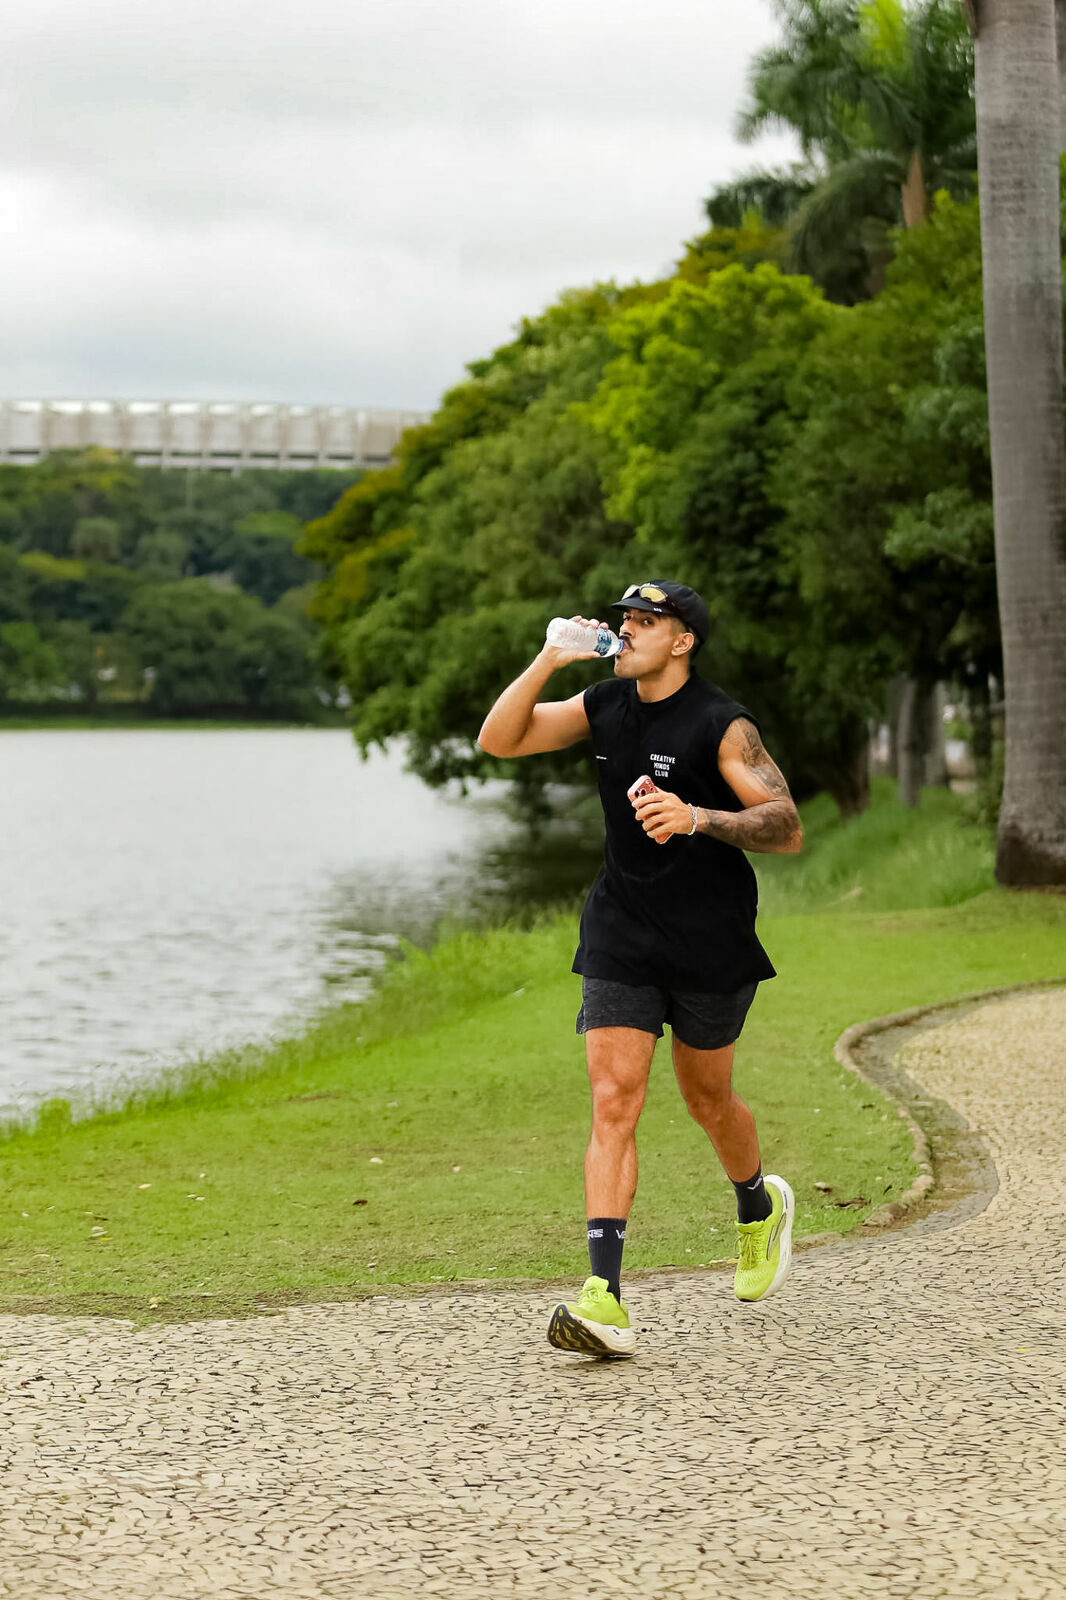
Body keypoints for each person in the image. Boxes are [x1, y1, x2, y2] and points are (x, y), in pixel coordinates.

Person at [478, 581, 803, 1358]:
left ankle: (758, 1207)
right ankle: (604, 1297)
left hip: (708, 941)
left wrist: (698, 817)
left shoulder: (722, 724)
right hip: (621, 931)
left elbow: (786, 826)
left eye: (645, 622)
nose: (627, 631)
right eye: (623, 619)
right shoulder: (603, 705)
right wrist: (549, 658)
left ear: (682, 639)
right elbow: (500, 739)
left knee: (708, 1098)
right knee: (613, 1097)